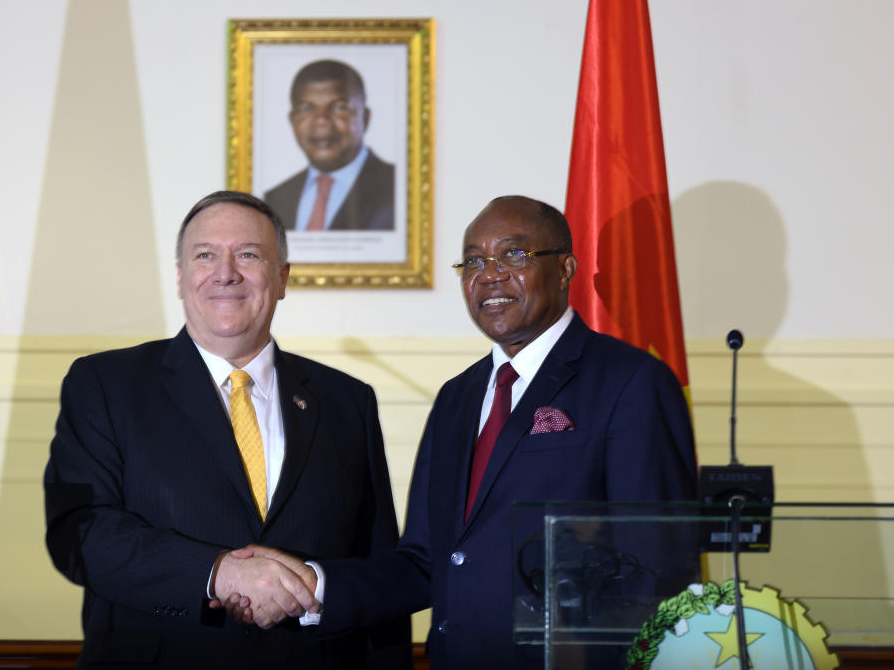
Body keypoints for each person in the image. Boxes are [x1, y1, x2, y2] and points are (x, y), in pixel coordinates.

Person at [220, 195, 698, 669]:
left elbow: (657, 568)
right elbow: (426, 561)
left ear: (565, 268)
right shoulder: (457, 397)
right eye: (472, 261)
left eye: (514, 254)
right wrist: (311, 584)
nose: (488, 274)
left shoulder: (630, 382)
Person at [43, 190, 409, 668]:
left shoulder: (346, 400)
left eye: (249, 255)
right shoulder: (105, 385)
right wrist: (217, 574)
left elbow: (378, 568)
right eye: (205, 255)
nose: (226, 272)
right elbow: (80, 534)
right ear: (180, 277)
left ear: (282, 278)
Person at [264, 59, 395, 231]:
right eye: (307, 109)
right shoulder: (275, 199)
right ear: (292, 120)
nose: (322, 120)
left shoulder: (397, 189)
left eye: (339, 108)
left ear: (365, 117)